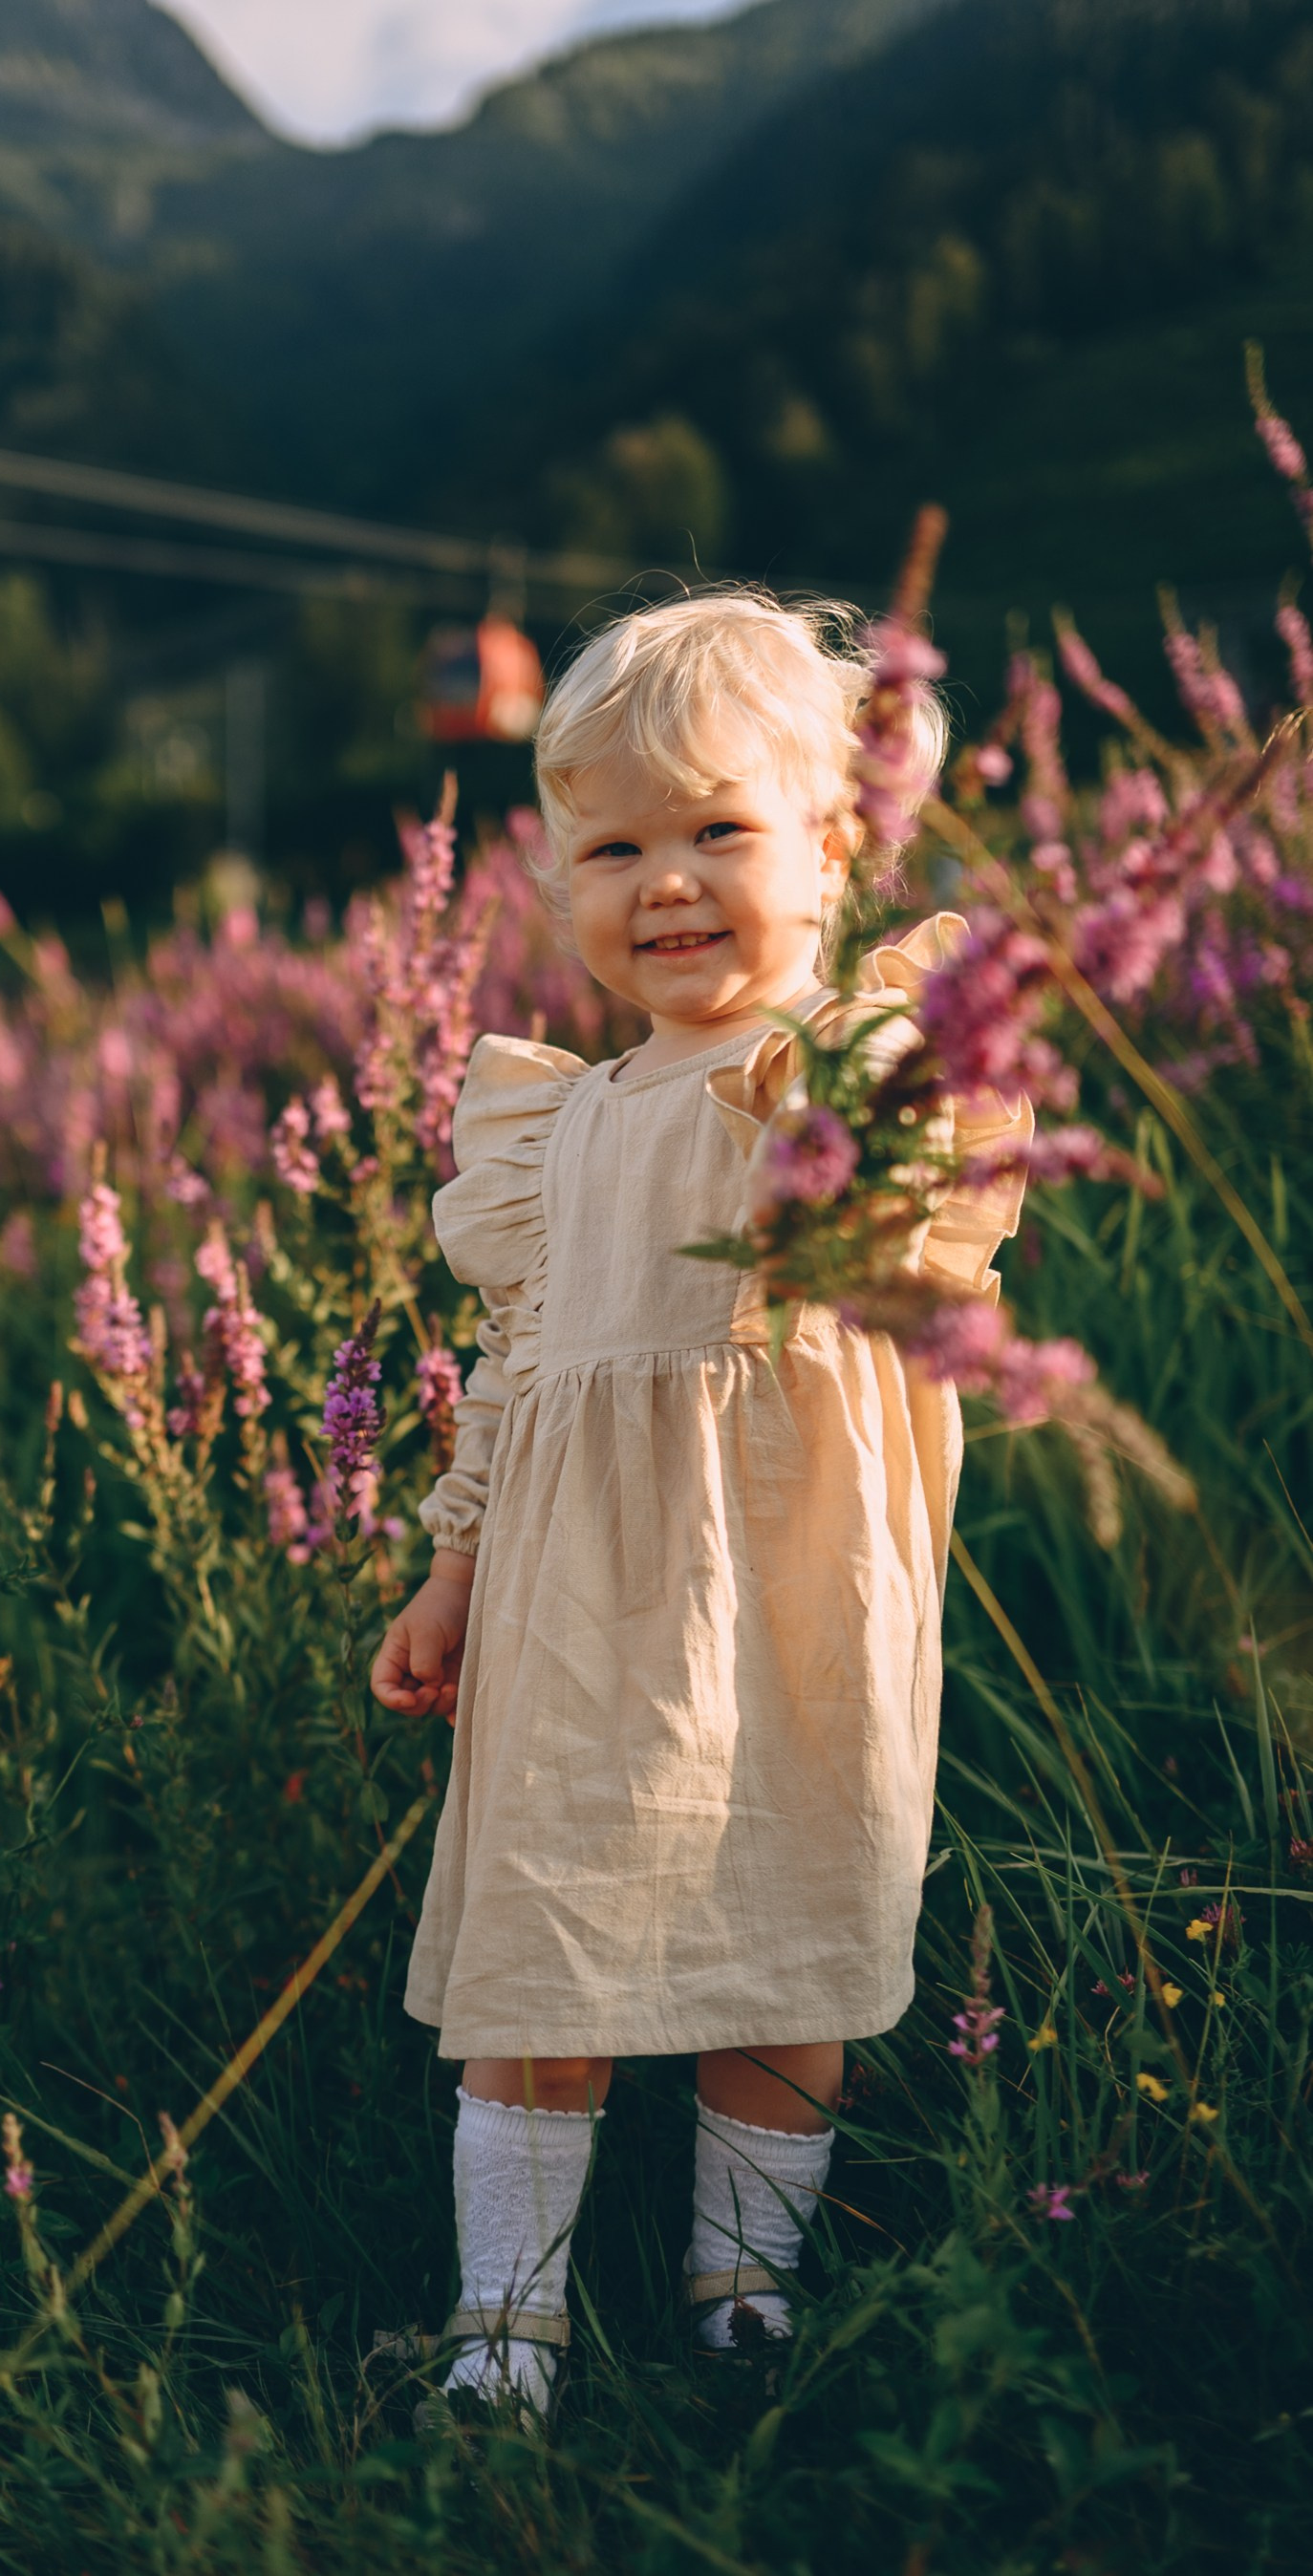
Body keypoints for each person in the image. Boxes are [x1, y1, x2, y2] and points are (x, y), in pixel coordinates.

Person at [370, 590, 1029, 2420]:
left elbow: (917, 1224)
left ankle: (742, 2296)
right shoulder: (557, 1121)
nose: (665, 884)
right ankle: (502, 2330)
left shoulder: (839, 1066)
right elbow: (516, 1365)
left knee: (779, 1934)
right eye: (613, 847)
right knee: (536, 1951)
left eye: (719, 832)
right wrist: (450, 1563)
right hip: (576, 1607)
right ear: (561, 881)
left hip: (792, 1591)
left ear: (831, 848)